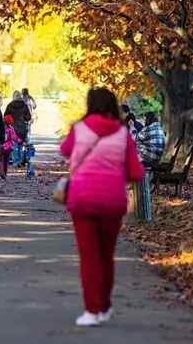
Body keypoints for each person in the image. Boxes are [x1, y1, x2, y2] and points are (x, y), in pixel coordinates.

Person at [59, 87, 144, 327]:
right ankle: (104, 306)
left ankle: (91, 310)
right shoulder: (123, 134)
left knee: (89, 257)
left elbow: (65, 150)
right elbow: (137, 172)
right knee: (106, 255)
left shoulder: (79, 129)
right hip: (112, 202)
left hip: (83, 199)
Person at [133, 112, 166, 221]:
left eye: (145, 118)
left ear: (148, 119)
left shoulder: (148, 129)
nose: (144, 121)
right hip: (156, 158)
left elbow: (136, 138)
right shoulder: (159, 128)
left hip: (148, 158)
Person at [4, 91, 32, 166]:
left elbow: (5, 116)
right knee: (21, 144)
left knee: (14, 145)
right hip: (22, 128)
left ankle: (16, 160)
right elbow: (28, 117)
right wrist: (24, 118)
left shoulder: (10, 105)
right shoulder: (24, 105)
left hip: (12, 128)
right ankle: (20, 160)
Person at [0, 114, 22, 179]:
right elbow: (14, 138)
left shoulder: (0, 128)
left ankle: (1, 172)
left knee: (0, 160)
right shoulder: (11, 129)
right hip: (9, 148)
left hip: (1, 147)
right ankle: (4, 173)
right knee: (6, 161)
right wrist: (20, 141)